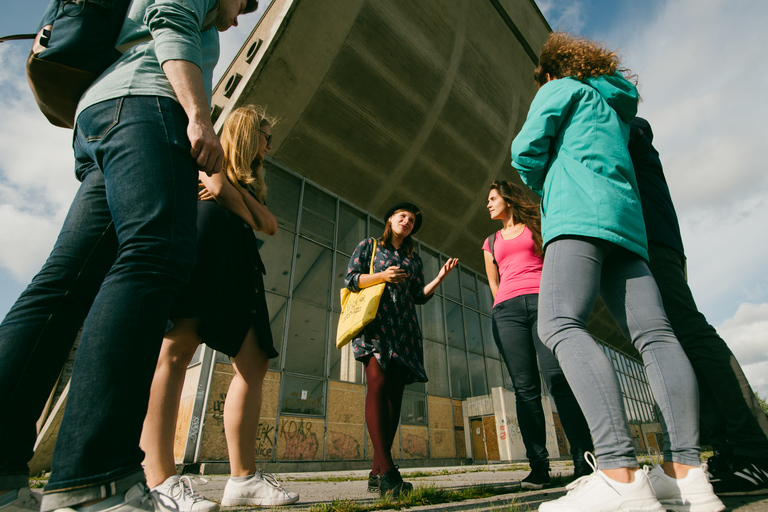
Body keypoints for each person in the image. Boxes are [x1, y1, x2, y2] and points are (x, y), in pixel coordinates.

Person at [0, 1, 258, 512]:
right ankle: (96, 478)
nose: (239, 17)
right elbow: (170, 15)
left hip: (100, 112)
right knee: (154, 256)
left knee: (63, 283)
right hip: (149, 105)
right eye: (242, 3)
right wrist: (199, 115)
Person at [510, 32, 724, 512]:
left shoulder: (559, 86)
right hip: (627, 224)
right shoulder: (618, 108)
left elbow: (525, 150)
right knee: (657, 336)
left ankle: (617, 471)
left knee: (559, 323)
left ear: (550, 69)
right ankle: (685, 473)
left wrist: (547, 183)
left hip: (577, 216)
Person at [139, 106, 299, 510]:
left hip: (239, 255)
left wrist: (236, 198)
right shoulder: (210, 153)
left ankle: (243, 479)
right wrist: (237, 201)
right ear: (248, 132)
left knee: (254, 359)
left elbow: (269, 224)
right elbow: (218, 189)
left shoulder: (249, 181)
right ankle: (159, 478)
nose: (268, 144)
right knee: (176, 351)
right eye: (265, 135)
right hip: (206, 242)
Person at [630, 116, 768, 496]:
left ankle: (756, 450)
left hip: (653, 243)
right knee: (682, 342)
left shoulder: (629, 126)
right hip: (647, 243)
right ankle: (730, 450)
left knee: (691, 332)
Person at [483, 180, 594, 489]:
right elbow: (494, 280)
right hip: (507, 312)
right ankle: (539, 468)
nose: (488, 204)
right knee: (525, 388)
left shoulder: (537, 226)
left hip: (545, 303)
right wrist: (501, 305)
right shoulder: (490, 241)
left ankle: (584, 461)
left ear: (507, 198)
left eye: (493, 199)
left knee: (559, 381)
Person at [344, 203, 458, 498]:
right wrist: (383, 276)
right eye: (402, 216)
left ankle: (375, 473)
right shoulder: (369, 246)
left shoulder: (413, 259)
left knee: (394, 396)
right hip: (375, 326)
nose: (407, 221)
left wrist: (440, 277)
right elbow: (351, 279)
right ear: (390, 219)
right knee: (377, 385)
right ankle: (390, 473)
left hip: (404, 331)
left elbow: (418, 296)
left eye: (412, 220)